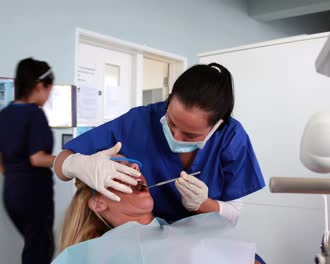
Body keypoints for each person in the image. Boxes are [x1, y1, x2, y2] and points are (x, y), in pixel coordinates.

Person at [53, 63, 265, 224]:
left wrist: (202, 204)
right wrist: (76, 165)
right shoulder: (138, 122)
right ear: (169, 99)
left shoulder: (231, 137)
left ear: (218, 125)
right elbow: (60, 165)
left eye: (190, 135)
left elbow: (234, 215)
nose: (176, 137)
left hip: (207, 242)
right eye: (171, 123)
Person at [56, 158, 261, 264]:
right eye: (118, 170)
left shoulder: (189, 233)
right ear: (99, 203)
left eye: (133, 165)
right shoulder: (90, 255)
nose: (134, 170)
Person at [0, 58, 55, 264]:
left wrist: (14, 174)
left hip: (11, 193)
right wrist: (69, 161)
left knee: (33, 245)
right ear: (40, 86)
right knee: (40, 251)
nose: (49, 96)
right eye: (50, 89)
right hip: (33, 193)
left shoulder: (4, 114)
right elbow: (37, 159)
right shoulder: (34, 114)